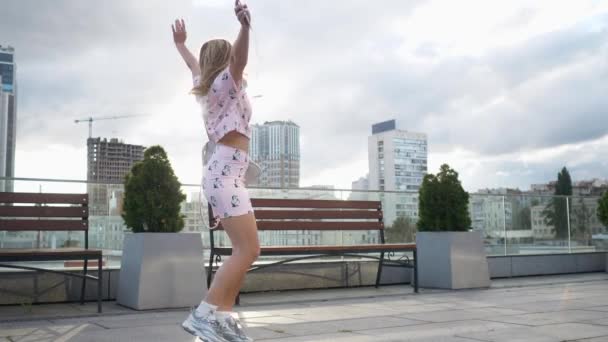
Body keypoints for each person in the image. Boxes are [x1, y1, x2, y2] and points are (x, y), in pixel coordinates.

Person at [172, 1, 259, 341]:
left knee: (246, 249)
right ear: (223, 60)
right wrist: (245, 27)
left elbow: (195, 65)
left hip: (225, 172)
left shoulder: (205, 85)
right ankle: (206, 313)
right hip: (224, 172)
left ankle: (221, 318)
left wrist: (181, 45)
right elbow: (240, 59)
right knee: (248, 250)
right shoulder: (226, 81)